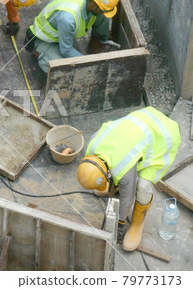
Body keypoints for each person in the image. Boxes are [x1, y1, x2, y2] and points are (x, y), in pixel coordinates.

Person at [77, 107, 180, 251]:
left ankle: (138, 224)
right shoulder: (93, 146)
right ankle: (114, 186)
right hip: (144, 118)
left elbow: (128, 198)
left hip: (163, 136)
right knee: (123, 171)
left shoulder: (122, 169)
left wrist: (120, 223)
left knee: (143, 187)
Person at [25, 0, 120, 75]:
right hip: (44, 39)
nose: (103, 12)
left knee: (103, 16)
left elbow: (102, 10)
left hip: (63, 29)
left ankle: (97, 46)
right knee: (62, 70)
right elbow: (66, 50)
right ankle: (41, 54)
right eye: (102, 10)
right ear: (93, 5)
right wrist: (89, 63)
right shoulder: (67, 18)